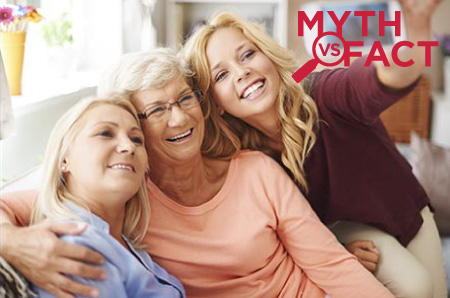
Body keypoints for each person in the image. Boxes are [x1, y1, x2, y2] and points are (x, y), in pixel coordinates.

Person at [1, 48, 396, 298]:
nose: (179, 117)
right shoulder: (121, 190)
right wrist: (16, 245)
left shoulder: (255, 170)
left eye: (184, 98)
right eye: (156, 110)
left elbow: (329, 265)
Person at [181, 1, 447, 298]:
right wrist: (333, 252)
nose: (242, 71)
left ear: (268, 56)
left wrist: (416, 34)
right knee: (416, 287)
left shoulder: (323, 92)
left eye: (247, 54)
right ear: (215, 105)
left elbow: (385, 77)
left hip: (404, 211)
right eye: (221, 75)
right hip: (343, 226)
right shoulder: (242, 160)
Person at [2, 96, 186, 298]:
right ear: (64, 159)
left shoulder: (125, 242)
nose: (128, 146)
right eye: (105, 133)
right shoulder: (74, 247)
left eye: (136, 139)